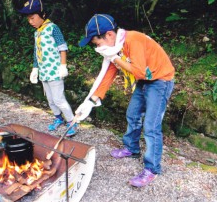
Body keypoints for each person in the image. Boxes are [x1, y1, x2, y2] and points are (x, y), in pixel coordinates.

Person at [75, 14, 175, 187]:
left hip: (160, 81)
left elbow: (140, 71)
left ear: (109, 35)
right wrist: (90, 101)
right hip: (144, 81)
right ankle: (132, 148)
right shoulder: (116, 47)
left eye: (97, 44)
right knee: (132, 114)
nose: (98, 49)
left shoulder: (133, 40)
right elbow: (108, 74)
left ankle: (152, 169)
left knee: (151, 126)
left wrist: (114, 58)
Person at [18, 0, 77, 137]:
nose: (30, 22)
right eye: (28, 19)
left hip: (55, 71)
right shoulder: (36, 32)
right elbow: (35, 51)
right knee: (50, 99)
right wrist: (35, 68)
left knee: (59, 99)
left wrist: (63, 65)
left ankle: (72, 122)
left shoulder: (53, 28)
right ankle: (58, 118)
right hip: (44, 72)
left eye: (33, 18)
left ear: (43, 14)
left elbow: (63, 47)